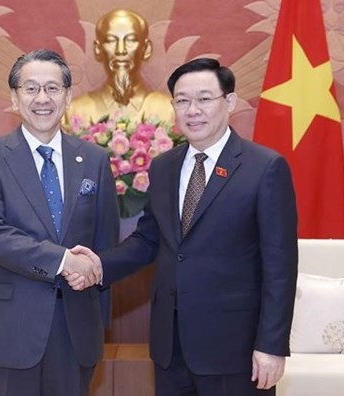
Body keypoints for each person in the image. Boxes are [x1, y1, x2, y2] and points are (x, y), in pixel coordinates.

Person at [69, 58, 298, 395]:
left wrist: (272, 345)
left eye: (205, 99)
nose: (193, 110)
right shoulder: (164, 166)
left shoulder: (264, 168)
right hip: (170, 345)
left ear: (229, 103)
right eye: (183, 100)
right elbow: (148, 240)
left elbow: (280, 266)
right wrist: (99, 265)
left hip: (235, 347)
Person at [0, 49, 119, 396]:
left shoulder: (93, 159)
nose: (42, 98)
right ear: (14, 98)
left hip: (77, 329)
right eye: (30, 88)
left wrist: (99, 324)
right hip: (11, 328)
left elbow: (104, 243)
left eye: (52, 88)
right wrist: (63, 260)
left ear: (68, 96)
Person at [64, 9, 174, 126]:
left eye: (131, 40)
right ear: (98, 49)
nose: (121, 50)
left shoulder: (170, 111)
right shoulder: (74, 112)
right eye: (111, 40)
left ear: (146, 49)